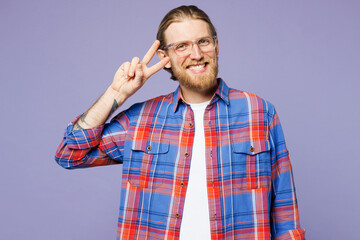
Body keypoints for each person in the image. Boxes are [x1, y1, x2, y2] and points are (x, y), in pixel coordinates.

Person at [55, 5, 305, 240]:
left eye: (203, 42)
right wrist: (116, 94)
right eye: (182, 46)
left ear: (216, 45)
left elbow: (284, 205)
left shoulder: (258, 112)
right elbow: (69, 155)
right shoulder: (140, 119)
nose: (196, 54)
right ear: (165, 57)